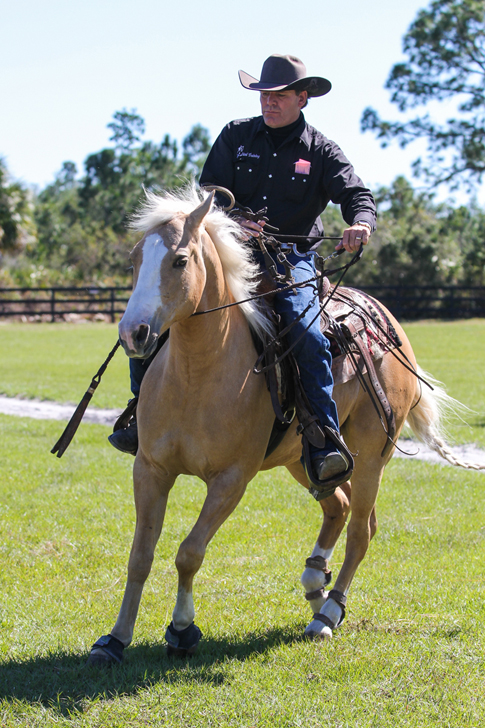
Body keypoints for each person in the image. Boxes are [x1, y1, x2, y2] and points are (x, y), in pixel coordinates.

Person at [110, 54, 377, 488]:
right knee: (153, 318)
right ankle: (140, 414)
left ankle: (322, 437)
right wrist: (236, 218)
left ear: (302, 98)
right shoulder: (235, 136)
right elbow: (209, 192)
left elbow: (356, 194)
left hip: (293, 260)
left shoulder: (322, 150)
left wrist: (361, 223)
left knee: (306, 333)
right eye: (264, 96)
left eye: (280, 96)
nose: (269, 103)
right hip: (231, 252)